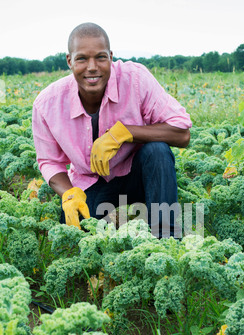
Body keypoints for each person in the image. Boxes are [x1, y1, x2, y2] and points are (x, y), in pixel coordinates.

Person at [32, 22, 192, 237]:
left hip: (137, 175)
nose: (92, 67)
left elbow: (182, 133)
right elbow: (49, 161)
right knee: (80, 231)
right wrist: (69, 193)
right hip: (91, 181)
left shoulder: (135, 79)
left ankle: (165, 238)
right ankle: (121, 223)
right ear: (69, 61)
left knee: (157, 151)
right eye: (82, 58)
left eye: (100, 57)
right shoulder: (47, 104)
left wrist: (125, 132)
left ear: (111, 56)